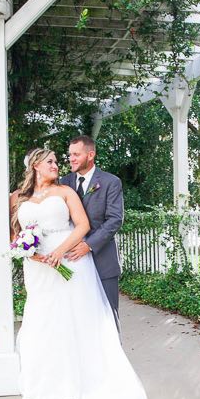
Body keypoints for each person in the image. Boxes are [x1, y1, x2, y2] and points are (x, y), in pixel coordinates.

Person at [10, 148, 148, 399]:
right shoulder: (17, 198)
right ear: (35, 165)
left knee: (73, 320)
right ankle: (47, 384)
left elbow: (83, 225)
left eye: (57, 161)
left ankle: (76, 383)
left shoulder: (65, 192)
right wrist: (28, 251)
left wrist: (60, 251)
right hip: (37, 269)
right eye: (51, 161)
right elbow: (14, 233)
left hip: (68, 262)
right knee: (43, 322)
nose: (56, 165)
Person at [59, 135, 123, 336]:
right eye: (70, 155)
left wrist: (89, 245)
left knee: (109, 318)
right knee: (78, 320)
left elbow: (115, 220)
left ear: (91, 155)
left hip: (103, 261)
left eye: (76, 154)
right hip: (72, 263)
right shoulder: (63, 182)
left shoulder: (111, 182)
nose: (71, 159)